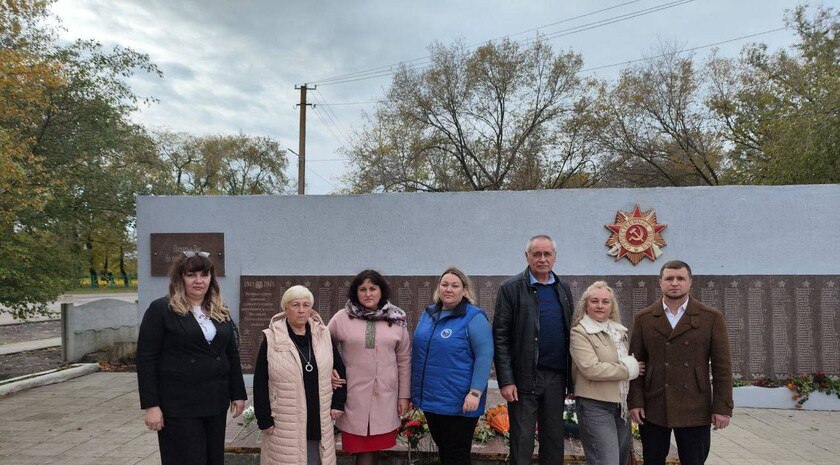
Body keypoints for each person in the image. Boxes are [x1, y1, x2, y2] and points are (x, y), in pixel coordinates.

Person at [137, 250, 247, 465]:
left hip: (215, 401)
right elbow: (146, 359)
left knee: (213, 459)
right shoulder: (161, 309)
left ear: (211, 279)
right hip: (179, 404)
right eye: (191, 275)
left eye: (204, 275)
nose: (199, 281)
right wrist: (151, 405)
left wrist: (238, 393)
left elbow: (230, 354)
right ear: (180, 278)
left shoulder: (220, 310)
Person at [628, 260, 733, 465]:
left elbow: (722, 368)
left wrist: (722, 407)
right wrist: (636, 401)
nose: (674, 283)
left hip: (695, 404)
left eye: (680, 278)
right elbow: (636, 364)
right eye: (669, 278)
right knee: (652, 461)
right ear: (660, 282)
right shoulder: (645, 318)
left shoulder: (710, 318)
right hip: (654, 404)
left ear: (690, 282)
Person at [493, 234, 574, 465]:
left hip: (556, 377)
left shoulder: (563, 288)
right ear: (526, 256)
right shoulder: (511, 288)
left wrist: (572, 380)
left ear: (555, 257)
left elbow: (570, 333)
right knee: (522, 441)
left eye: (547, 254)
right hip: (524, 379)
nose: (542, 259)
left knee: (554, 440)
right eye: (536, 254)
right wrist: (506, 379)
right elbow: (500, 336)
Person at [253, 285, 347, 465]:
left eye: (306, 305)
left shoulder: (323, 334)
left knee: (315, 458)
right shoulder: (271, 338)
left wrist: (337, 403)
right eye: (295, 305)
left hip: (318, 416)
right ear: (285, 308)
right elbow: (260, 381)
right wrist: (264, 418)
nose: (301, 310)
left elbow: (340, 370)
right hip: (285, 419)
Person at [327, 270, 410, 465]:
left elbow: (404, 359)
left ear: (382, 291)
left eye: (373, 288)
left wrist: (404, 396)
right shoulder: (342, 318)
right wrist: (329, 369)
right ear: (356, 293)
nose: (368, 293)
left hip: (385, 396)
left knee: (375, 448)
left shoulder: (396, 319)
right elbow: (321, 346)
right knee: (362, 450)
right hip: (354, 397)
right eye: (362, 289)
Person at [411, 267, 493, 465]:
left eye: (455, 285)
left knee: (456, 454)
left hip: (459, 402)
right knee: (445, 451)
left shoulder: (474, 318)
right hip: (432, 400)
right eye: (444, 284)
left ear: (465, 290)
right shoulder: (429, 314)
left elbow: (484, 356)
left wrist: (475, 392)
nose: (448, 289)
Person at [570, 281, 644, 465]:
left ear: (612, 306)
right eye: (594, 301)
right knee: (606, 461)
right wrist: (629, 369)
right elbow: (591, 368)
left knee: (618, 460)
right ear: (586, 304)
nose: (600, 305)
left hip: (621, 406)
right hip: (594, 405)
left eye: (605, 301)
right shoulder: (580, 332)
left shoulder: (619, 332)